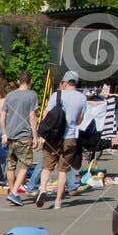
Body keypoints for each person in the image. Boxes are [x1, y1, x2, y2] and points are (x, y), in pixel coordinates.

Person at [35, 71, 87, 210]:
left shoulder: (56, 95)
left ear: (65, 83)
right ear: (76, 83)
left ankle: (43, 189)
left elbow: (47, 115)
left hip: (53, 137)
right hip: (70, 138)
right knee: (63, 171)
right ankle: (58, 201)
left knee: (46, 167)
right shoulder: (82, 98)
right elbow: (79, 120)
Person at [0, 72, 39, 204]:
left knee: (11, 165)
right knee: (26, 164)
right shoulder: (32, 95)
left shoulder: (10, 95)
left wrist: (4, 133)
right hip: (24, 135)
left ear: (18, 81)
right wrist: (35, 136)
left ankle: (11, 190)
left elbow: (2, 116)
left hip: (10, 135)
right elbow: (32, 116)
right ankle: (14, 192)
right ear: (30, 81)